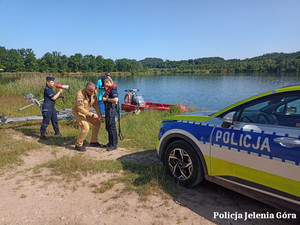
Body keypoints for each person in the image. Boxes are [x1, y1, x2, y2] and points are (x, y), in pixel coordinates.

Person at [72, 82, 104, 152]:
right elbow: (80, 108)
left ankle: (93, 141)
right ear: (86, 88)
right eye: (91, 91)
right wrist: (92, 114)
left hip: (86, 111)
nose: (92, 92)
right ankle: (78, 145)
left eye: (93, 91)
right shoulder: (80, 94)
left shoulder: (93, 93)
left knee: (97, 123)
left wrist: (99, 113)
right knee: (85, 127)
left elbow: (95, 104)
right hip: (78, 112)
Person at [102, 76, 118, 151]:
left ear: (108, 81)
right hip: (108, 109)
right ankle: (110, 143)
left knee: (112, 127)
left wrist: (106, 99)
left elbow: (115, 99)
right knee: (108, 126)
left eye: (104, 83)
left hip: (111, 109)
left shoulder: (113, 88)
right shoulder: (109, 89)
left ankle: (114, 144)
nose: (104, 85)